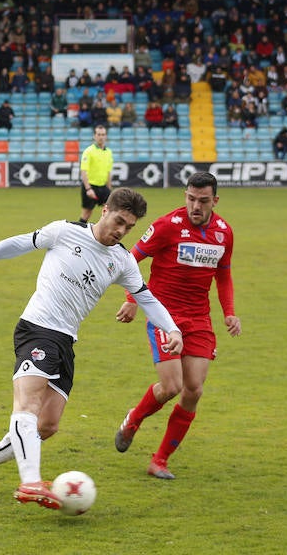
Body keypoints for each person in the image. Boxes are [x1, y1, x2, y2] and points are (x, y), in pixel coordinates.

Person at [0, 187, 183, 508]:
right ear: (104, 210)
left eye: (129, 227)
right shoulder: (64, 232)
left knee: (47, 425)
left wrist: (171, 328)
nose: (121, 231)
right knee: (28, 405)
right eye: (119, 221)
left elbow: (145, 297)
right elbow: (20, 242)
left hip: (66, 341)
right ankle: (30, 482)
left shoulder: (121, 260)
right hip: (37, 328)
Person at [113, 171, 241, 480]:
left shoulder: (225, 233)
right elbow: (131, 260)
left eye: (203, 201)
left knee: (193, 390)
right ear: (185, 196)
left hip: (199, 318)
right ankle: (133, 420)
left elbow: (223, 274)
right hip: (163, 314)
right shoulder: (166, 226)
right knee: (171, 387)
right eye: (191, 199)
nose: (196, 206)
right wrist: (132, 298)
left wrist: (229, 312)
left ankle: (160, 460)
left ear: (215, 201)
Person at [78, 125, 113, 223]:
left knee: (111, 211)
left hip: (103, 187)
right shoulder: (89, 151)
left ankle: (104, 234)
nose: (101, 137)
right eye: (99, 134)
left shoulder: (109, 152)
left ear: (106, 136)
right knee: (86, 213)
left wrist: (109, 188)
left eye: (103, 134)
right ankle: (78, 235)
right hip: (91, 187)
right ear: (94, 136)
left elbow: (108, 172)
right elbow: (83, 171)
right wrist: (88, 189)